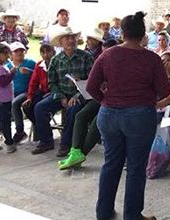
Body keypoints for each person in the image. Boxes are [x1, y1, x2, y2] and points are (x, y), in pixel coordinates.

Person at [87, 11, 170, 220]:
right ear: (143, 34)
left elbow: (91, 87)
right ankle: (132, 218)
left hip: (108, 115)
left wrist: (106, 100)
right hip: (139, 116)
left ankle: (103, 213)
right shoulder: (151, 58)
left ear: (122, 32)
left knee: (110, 164)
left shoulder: (107, 55)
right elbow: (164, 91)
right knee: (135, 168)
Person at [58, 39, 120, 170]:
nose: (105, 55)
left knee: (98, 121)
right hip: (101, 97)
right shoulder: (103, 63)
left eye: (108, 52)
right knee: (81, 115)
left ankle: (80, 155)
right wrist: (84, 82)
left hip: (116, 102)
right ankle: (75, 151)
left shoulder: (123, 65)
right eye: (103, 52)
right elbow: (94, 82)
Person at [32, 26, 94, 155]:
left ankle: (66, 144)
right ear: (61, 42)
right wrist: (61, 96)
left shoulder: (86, 57)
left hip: (80, 95)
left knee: (73, 110)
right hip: (61, 94)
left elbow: (92, 82)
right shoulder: (56, 60)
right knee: (39, 107)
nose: (70, 41)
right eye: (67, 38)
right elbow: (52, 82)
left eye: (72, 38)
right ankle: (46, 141)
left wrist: (77, 95)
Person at [22, 44, 55, 140]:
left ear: (53, 52)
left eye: (48, 52)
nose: (45, 55)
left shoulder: (57, 62)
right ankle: (40, 126)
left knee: (39, 107)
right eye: (43, 52)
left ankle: (44, 135)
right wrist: (29, 97)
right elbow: (33, 82)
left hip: (54, 92)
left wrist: (51, 92)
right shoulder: (39, 65)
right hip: (43, 91)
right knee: (27, 107)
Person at [7, 41, 36, 143]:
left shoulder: (31, 63)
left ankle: (20, 131)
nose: (19, 53)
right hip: (11, 93)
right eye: (16, 51)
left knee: (15, 103)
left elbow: (40, 77)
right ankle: (3, 129)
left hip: (27, 92)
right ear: (11, 54)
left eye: (21, 51)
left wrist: (30, 72)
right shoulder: (8, 65)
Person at [0, 43, 16, 153]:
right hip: (3, 100)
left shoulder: (3, 67)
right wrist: (12, 73)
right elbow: (3, 82)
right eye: (5, 54)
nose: (7, 56)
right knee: (6, 122)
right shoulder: (0, 69)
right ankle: (9, 143)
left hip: (3, 99)